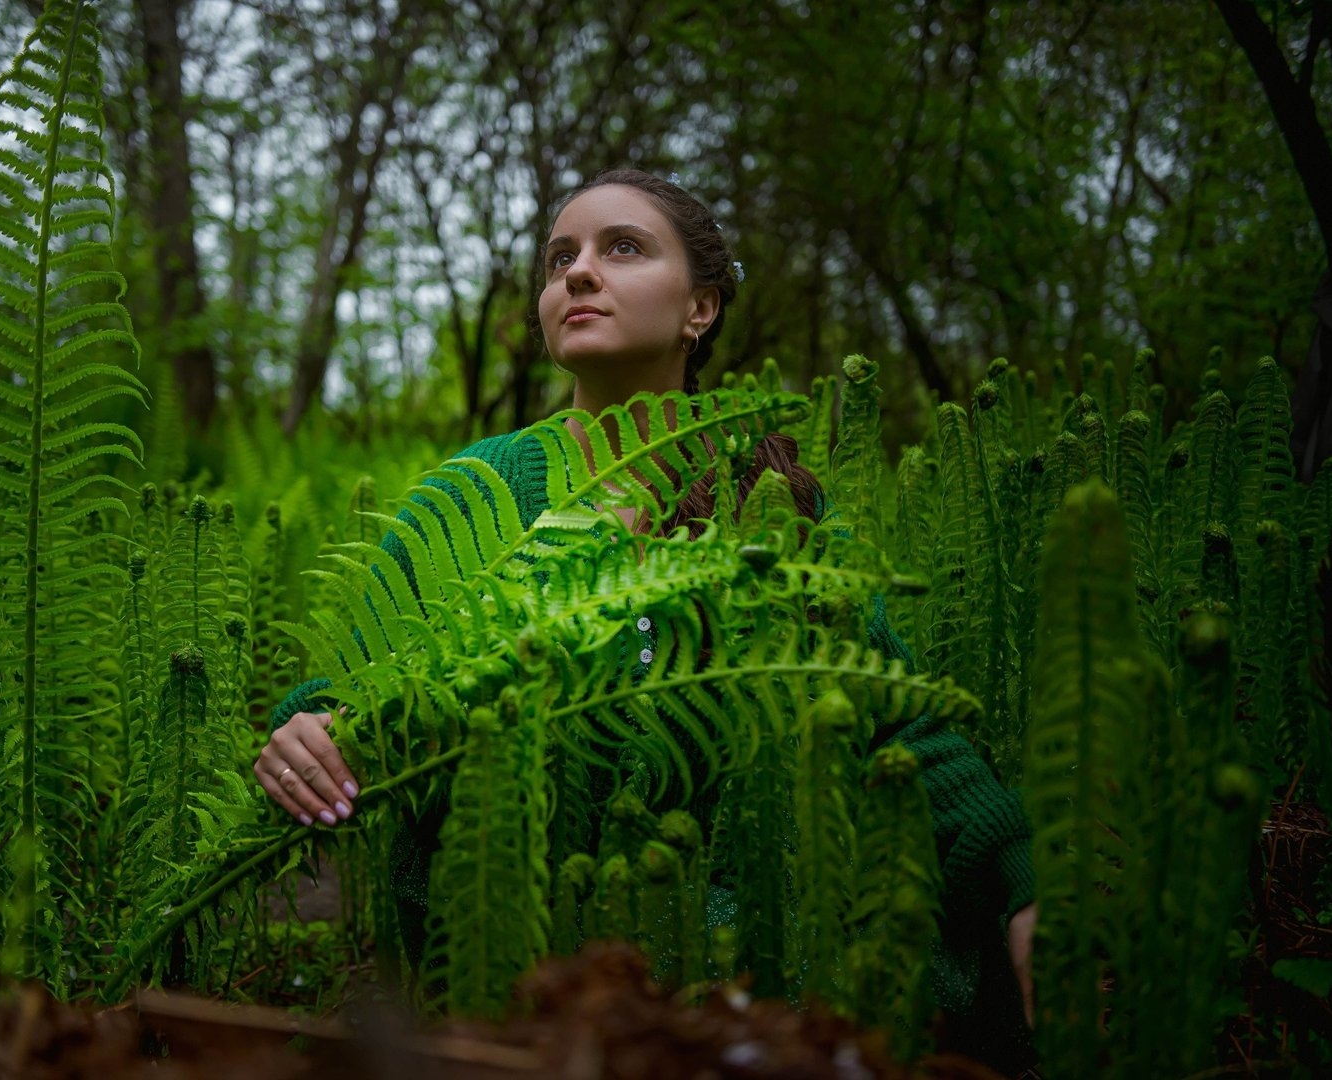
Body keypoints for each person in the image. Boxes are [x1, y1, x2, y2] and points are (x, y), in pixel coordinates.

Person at [254, 169, 1037, 1069]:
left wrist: (1022, 885)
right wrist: (310, 727)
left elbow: (896, 716)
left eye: (622, 248)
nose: (578, 273)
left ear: (701, 307)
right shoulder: (477, 492)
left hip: (732, 982)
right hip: (503, 983)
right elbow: (362, 685)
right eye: (560, 259)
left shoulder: (770, 499)